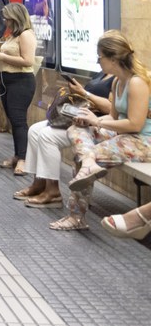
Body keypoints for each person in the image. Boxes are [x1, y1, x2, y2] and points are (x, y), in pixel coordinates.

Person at [50, 30, 151, 231]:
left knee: (85, 157)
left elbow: (135, 124)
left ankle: (76, 216)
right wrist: (89, 120)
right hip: (125, 136)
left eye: (100, 57)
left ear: (113, 59)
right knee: (77, 129)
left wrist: (97, 122)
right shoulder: (118, 81)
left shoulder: (137, 82)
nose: (98, 62)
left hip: (143, 141)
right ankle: (88, 165)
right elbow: (113, 117)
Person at [13, 70, 114, 207]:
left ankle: (53, 191)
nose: (98, 60)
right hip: (80, 118)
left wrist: (84, 93)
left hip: (97, 124)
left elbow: (110, 109)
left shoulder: (118, 79)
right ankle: (39, 182)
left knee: (47, 135)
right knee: (34, 130)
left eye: (101, 58)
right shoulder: (101, 74)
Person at [0, 3, 37, 175]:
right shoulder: (12, 36)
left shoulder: (26, 34)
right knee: (12, 120)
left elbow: (28, 61)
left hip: (21, 81)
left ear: (15, 17)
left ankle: (24, 159)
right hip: (6, 80)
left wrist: (2, 56)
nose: (5, 21)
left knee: (18, 120)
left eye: (7, 18)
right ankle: (18, 155)